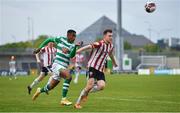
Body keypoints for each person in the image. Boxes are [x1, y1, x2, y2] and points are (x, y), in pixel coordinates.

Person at [32, 30, 79, 106]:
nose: (74, 37)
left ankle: (39, 90)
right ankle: (63, 99)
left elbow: (71, 56)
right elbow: (49, 39)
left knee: (50, 87)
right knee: (68, 77)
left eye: (75, 36)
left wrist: (75, 47)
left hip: (64, 67)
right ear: (68, 35)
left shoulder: (73, 45)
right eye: (73, 35)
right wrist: (39, 48)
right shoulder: (61, 39)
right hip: (57, 65)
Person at [74, 29, 118, 109]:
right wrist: (77, 51)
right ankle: (77, 103)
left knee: (102, 86)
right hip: (92, 67)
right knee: (89, 86)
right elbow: (88, 47)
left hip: (100, 69)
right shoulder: (99, 43)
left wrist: (114, 62)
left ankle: (86, 93)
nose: (111, 37)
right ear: (104, 36)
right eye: (109, 36)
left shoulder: (111, 45)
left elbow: (111, 54)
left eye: (112, 36)